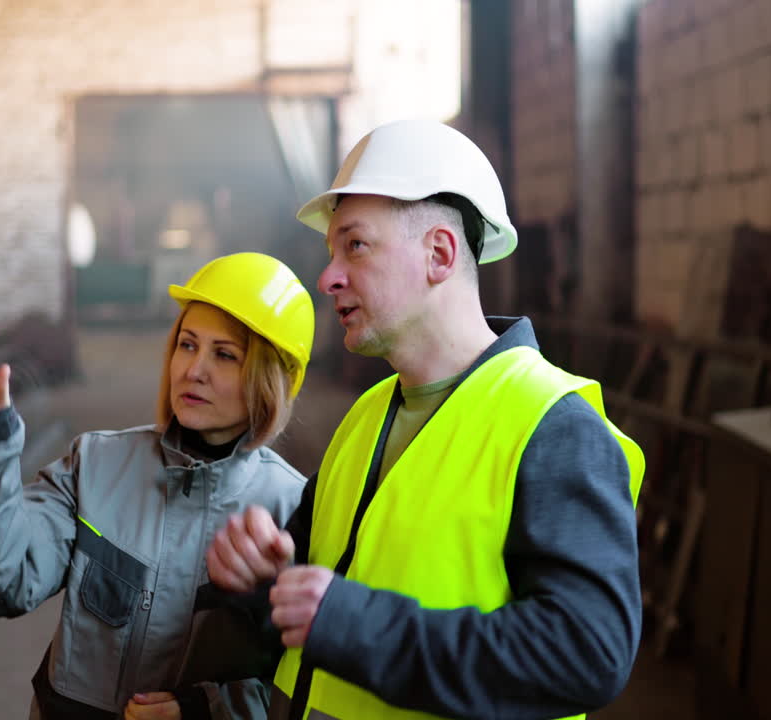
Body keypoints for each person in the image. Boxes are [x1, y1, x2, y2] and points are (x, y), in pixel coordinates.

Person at [205, 118, 646, 720]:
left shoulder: (553, 425)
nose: (327, 276)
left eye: (354, 245)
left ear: (438, 253)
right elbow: (322, 593)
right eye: (331, 251)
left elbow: (588, 652)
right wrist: (265, 580)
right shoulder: (368, 413)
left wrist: (356, 626)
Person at [0, 252, 315, 720]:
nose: (194, 369)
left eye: (225, 355)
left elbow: (299, 680)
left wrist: (202, 709)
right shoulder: (95, 464)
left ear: (273, 379)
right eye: (187, 345)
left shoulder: (293, 508)